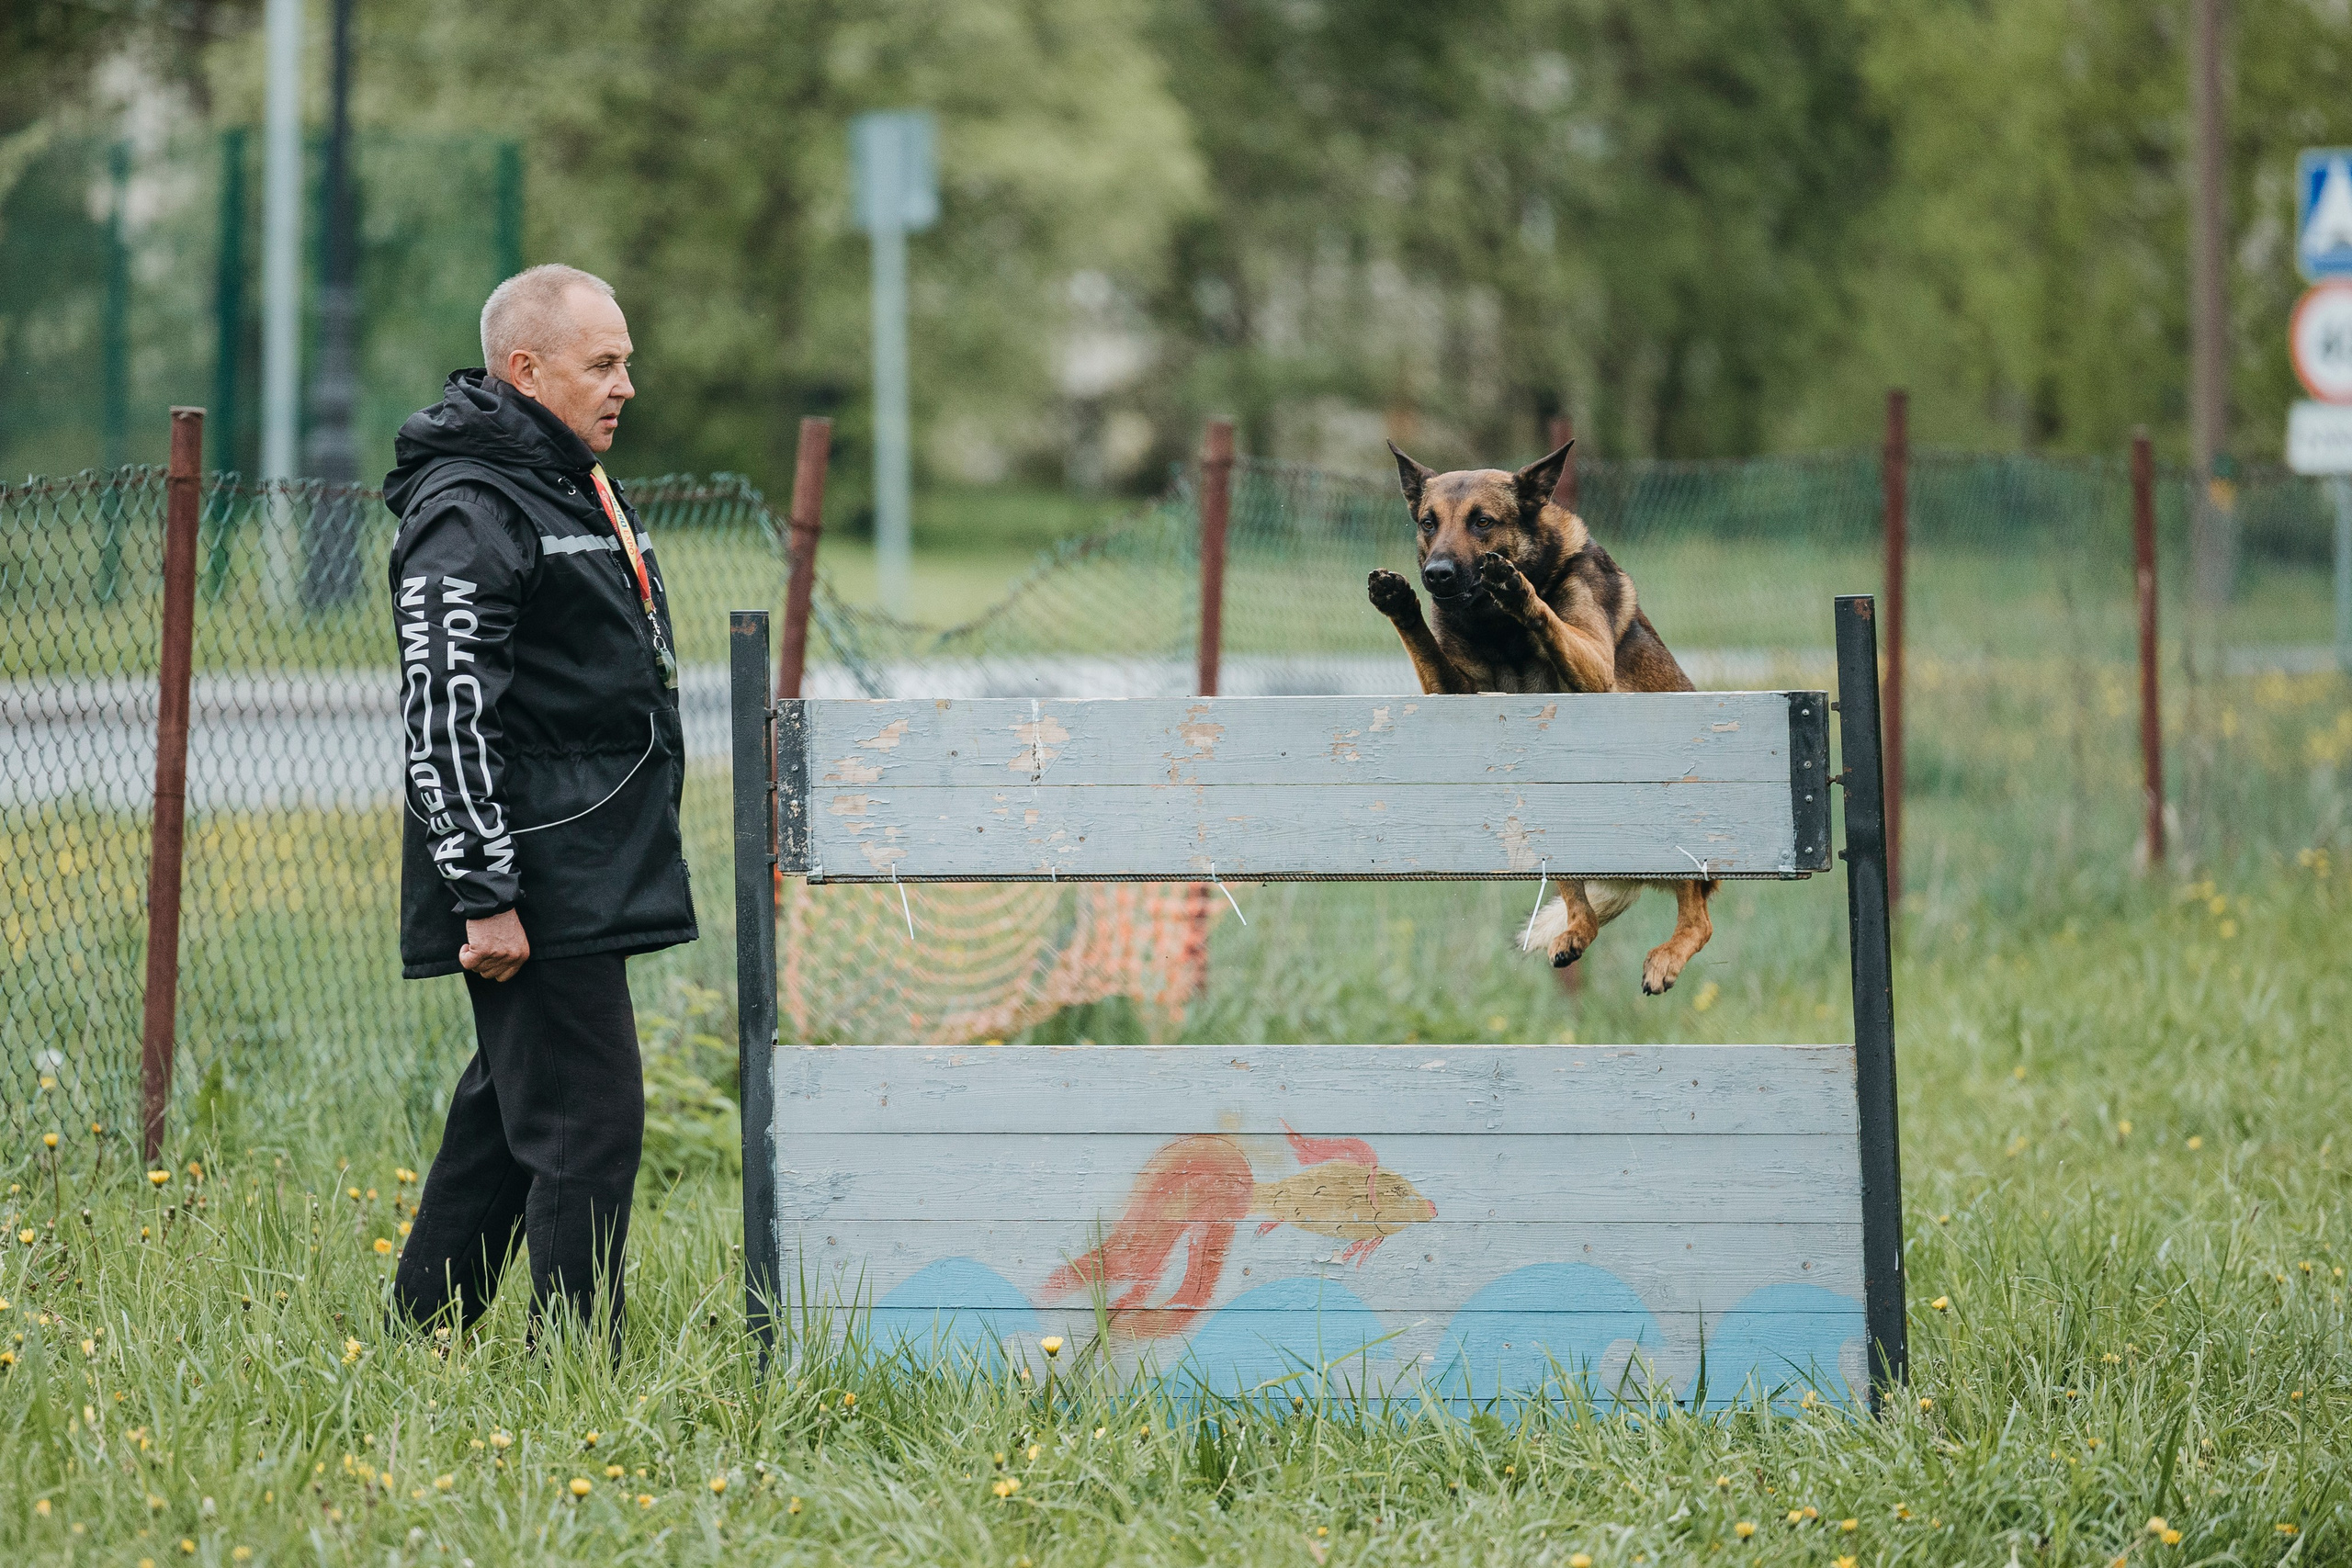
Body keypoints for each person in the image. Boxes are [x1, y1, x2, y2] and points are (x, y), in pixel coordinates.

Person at [382, 264, 695, 1347]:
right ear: (526, 370)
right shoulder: (469, 507)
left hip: (586, 856)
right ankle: (576, 1360)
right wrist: (484, 893)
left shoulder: (567, 481)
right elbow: (444, 710)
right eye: (601, 364)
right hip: (530, 870)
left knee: (513, 1107)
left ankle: (423, 1328)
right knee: (585, 1121)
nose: (624, 386)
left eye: (625, 363)